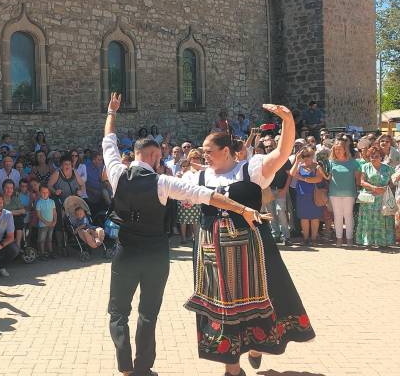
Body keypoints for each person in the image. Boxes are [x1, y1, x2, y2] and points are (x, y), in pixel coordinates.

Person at [104, 93, 267, 376]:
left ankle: (126, 368)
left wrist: (112, 112)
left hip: (126, 252)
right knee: (148, 313)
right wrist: (242, 209)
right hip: (155, 255)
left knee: (118, 313)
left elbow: (108, 141)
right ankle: (143, 367)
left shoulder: (117, 172)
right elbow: (207, 196)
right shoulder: (163, 182)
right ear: (155, 156)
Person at [185, 103, 315, 376]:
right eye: (203, 152)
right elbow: (178, 195)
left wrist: (287, 120)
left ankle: (258, 345)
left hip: (254, 250)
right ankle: (232, 368)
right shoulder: (197, 176)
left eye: (209, 152)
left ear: (226, 151)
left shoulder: (251, 170)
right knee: (221, 307)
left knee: (264, 297)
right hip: (213, 253)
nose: (204, 156)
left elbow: (282, 153)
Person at [355, 147, 395, 248]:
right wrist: (374, 188)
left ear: (381, 157)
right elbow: (361, 182)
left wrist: (385, 188)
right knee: (368, 219)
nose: (373, 158)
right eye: (371, 156)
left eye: (376, 156)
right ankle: (368, 241)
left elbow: (392, 183)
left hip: (383, 198)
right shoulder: (365, 167)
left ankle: (382, 241)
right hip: (369, 197)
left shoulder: (388, 168)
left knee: (382, 219)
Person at [290, 147, 327, 246]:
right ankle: (306, 239)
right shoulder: (300, 166)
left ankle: (314, 239)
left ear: (313, 155)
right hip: (301, 195)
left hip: (314, 195)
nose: (306, 158)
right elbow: (292, 173)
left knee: (315, 217)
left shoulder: (317, 166)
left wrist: (302, 178)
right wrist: (297, 161)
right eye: (304, 156)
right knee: (304, 218)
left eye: (308, 156)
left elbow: (318, 179)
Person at [327, 139, 360, 246]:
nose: (337, 151)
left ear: (345, 149)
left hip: (349, 193)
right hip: (334, 193)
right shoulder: (330, 162)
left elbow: (358, 180)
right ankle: (339, 239)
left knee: (348, 215)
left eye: (340, 149)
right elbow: (327, 178)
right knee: (337, 216)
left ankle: (349, 238)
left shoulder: (354, 162)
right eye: (335, 149)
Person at [262, 137, 293, 245]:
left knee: (281, 213)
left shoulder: (283, 157)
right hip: (268, 190)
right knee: (271, 214)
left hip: (280, 190)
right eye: (267, 147)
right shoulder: (262, 159)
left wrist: (285, 189)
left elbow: (290, 175)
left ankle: (286, 236)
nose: (269, 148)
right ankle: (275, 235)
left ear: (275, 146)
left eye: (271, 146)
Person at [34, 185, 56, 259]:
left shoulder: (52, 202)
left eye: (46, 192)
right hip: (42, 225)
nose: (44, 194)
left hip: (51, 224)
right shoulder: (39, 202)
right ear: (40, 192)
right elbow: (38, 215)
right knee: (41, 240)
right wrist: (46, 222)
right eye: (43, 192)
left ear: (49, 193)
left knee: (49, 239)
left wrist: (55, 221)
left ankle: (50, 252)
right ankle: (41, 254)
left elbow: (54, 212)